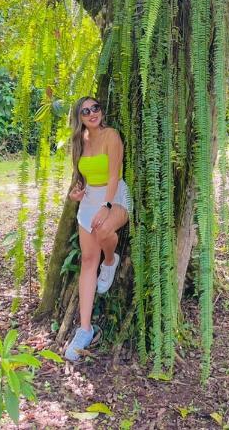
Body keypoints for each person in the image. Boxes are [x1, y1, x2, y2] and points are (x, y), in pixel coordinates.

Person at [64, 96, 131, 362]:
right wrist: (76, 193)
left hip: (114, 197)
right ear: (78, 117)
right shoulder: (79, 141)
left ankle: (111, 261)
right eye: (85, 111)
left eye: (96, 108)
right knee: (88, 262)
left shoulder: (111, 135)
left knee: (104, 231)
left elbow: (114, 175)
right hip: (89, 201)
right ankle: (85, 329)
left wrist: (106, 204)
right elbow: (81, 177)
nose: (92, 113)